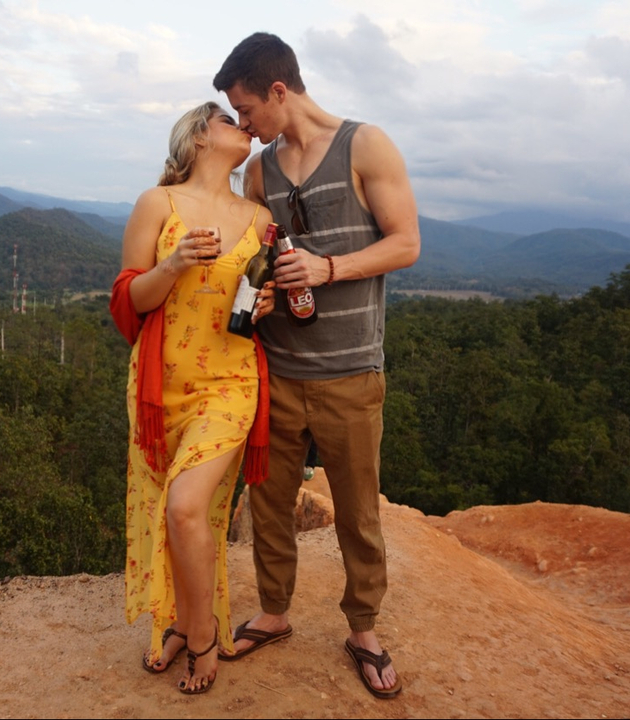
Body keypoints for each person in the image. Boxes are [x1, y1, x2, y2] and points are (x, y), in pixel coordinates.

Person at [212, 33, 421, 699]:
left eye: (246, 110)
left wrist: (329, 268)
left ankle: (363, 628)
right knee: (268, 504)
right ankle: (274, 613)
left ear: (279, 91)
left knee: (358, 510)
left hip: (351, 370)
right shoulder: (260, 172)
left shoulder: (366, 145)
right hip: (278, 370)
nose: (243, 126)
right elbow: (259, 258)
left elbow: (407, 243)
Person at [109, 101, 276, 695]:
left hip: (231, 385)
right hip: (160, 389)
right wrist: (174, 263)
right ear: (201, 137)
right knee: (175, 512)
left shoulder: (261, 221)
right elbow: (129, 301)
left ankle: (201, 636)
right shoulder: (158, 204)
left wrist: (267, 306)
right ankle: (178, 620)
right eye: (232, 121)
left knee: (186, 507)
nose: (246, 128)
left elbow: (262, 305)